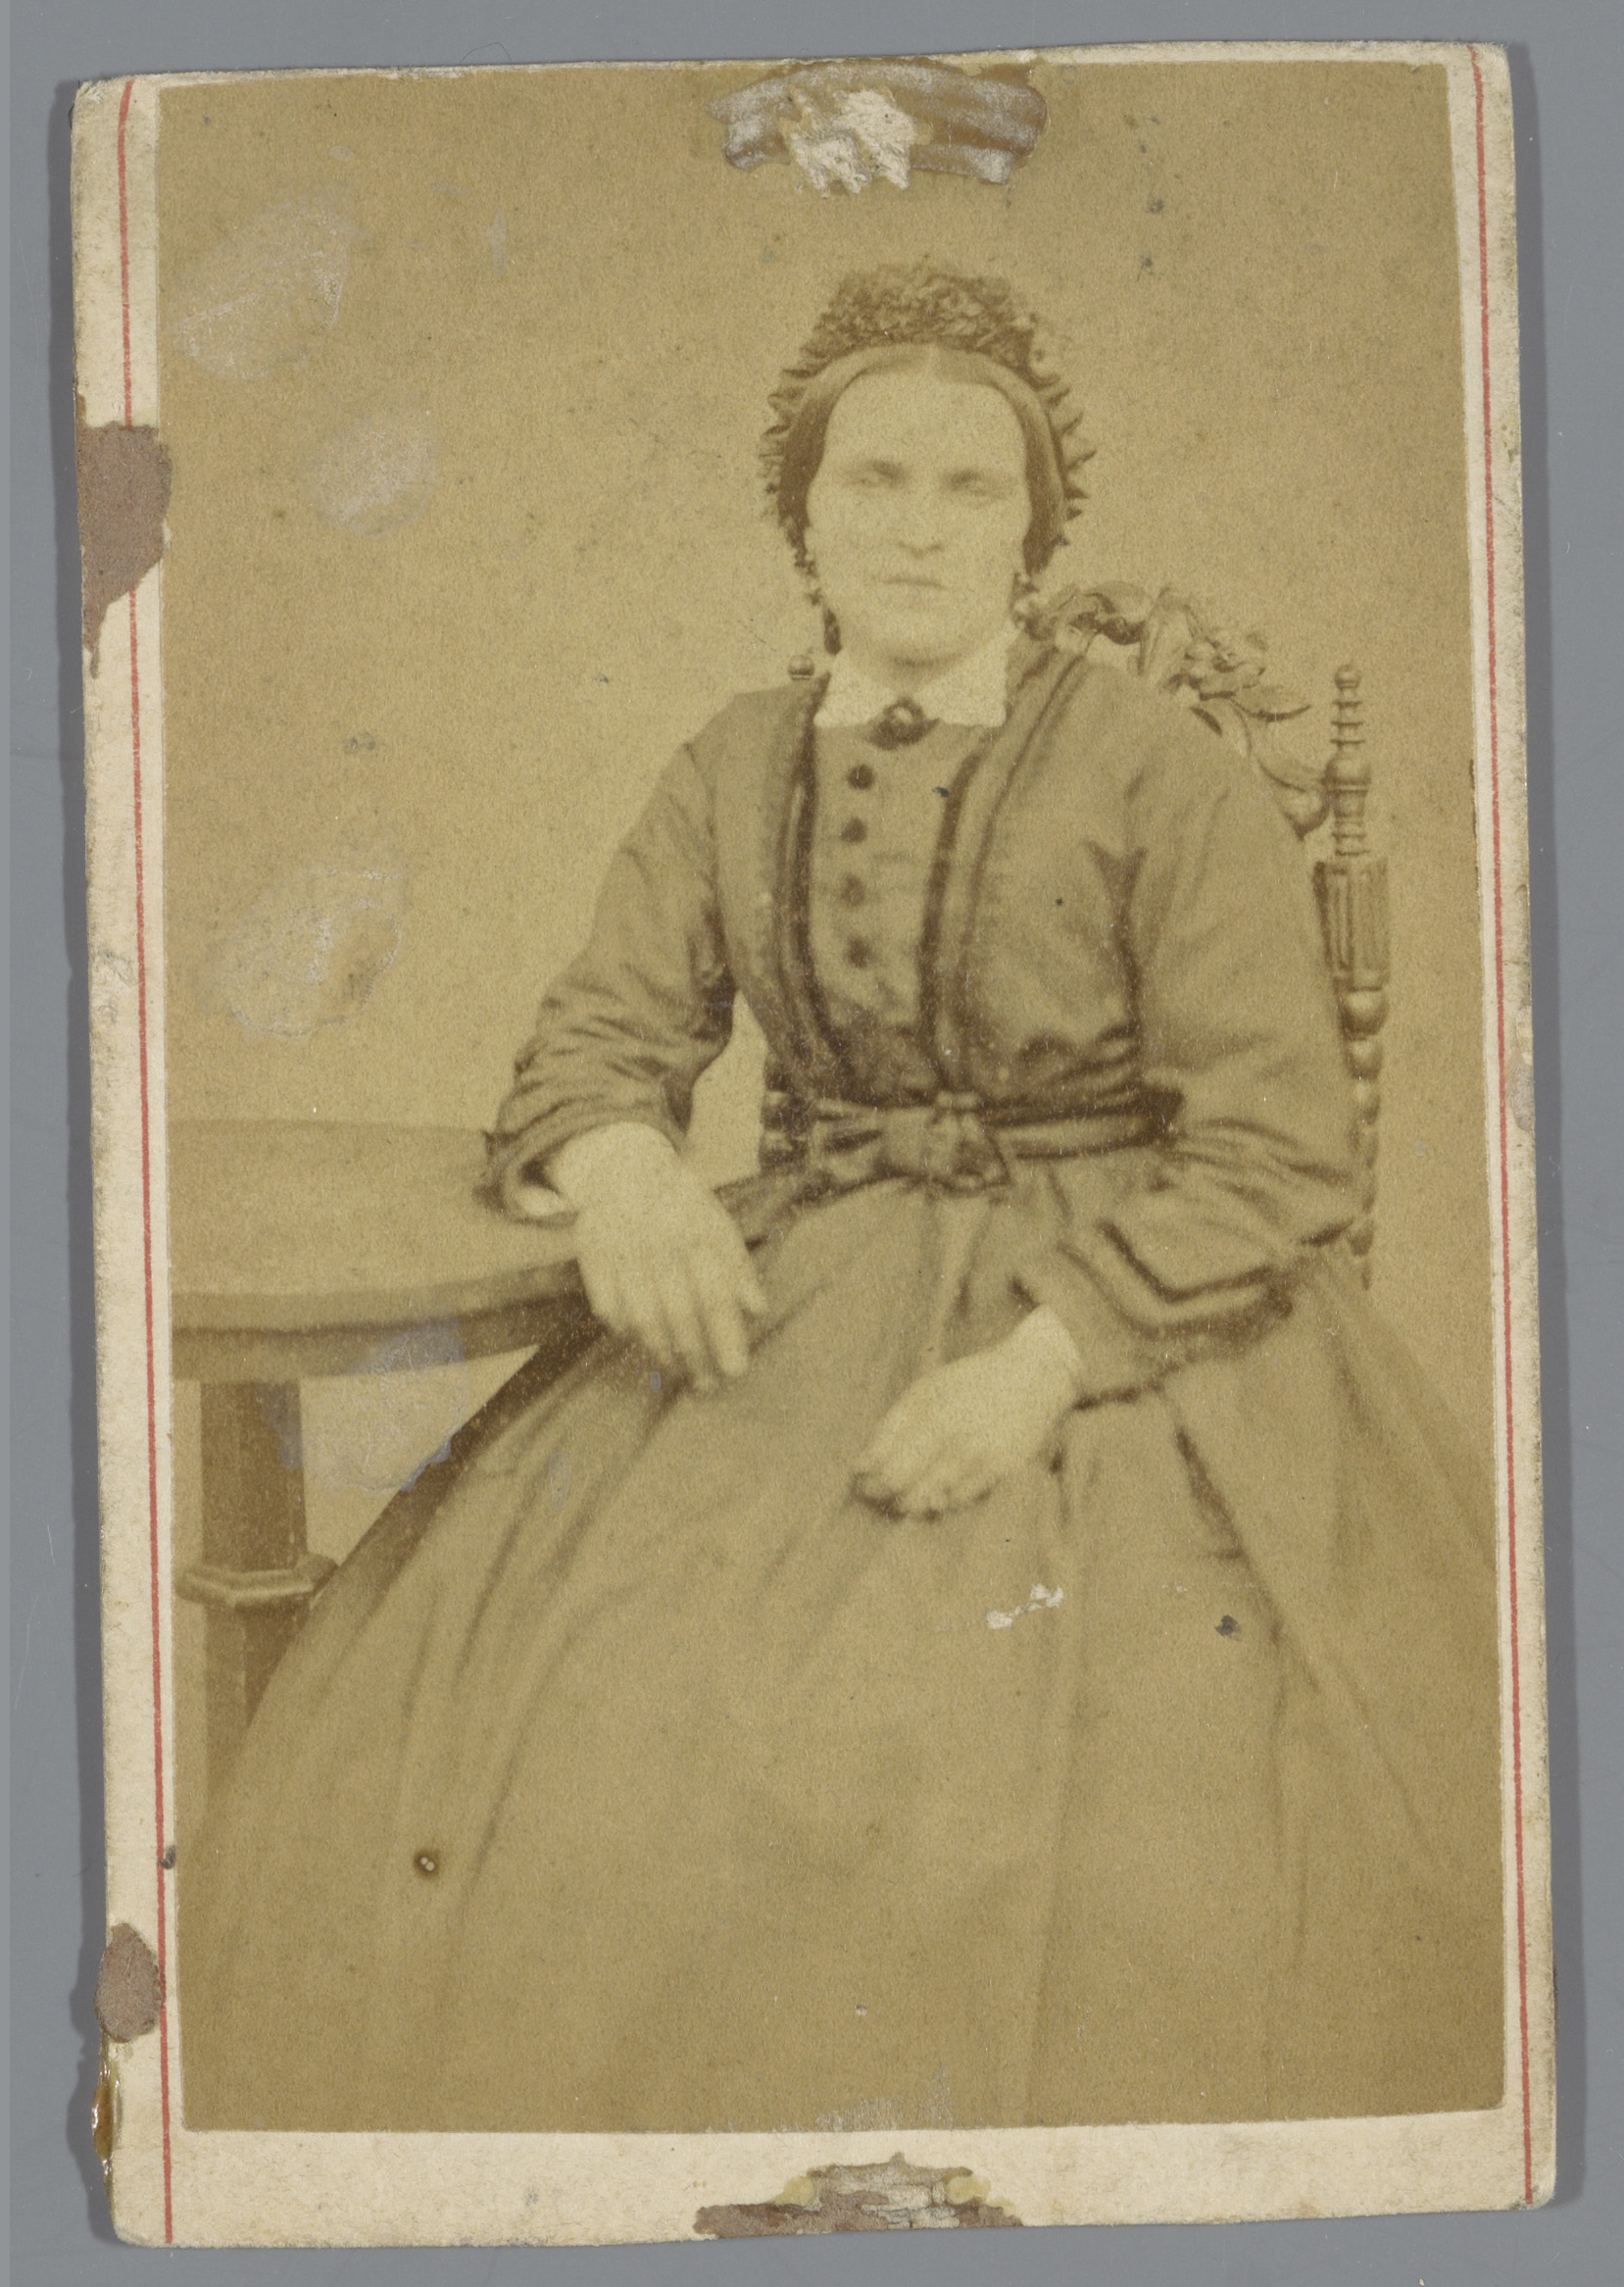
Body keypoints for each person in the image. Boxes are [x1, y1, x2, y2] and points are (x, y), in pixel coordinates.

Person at [184, 262, 1503, 2135]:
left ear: (1033, 526)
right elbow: (596, 1033)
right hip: (797, 1291)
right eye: (872, 480)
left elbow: (1281, 1144)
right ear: (801, 518)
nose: (917, 527)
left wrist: (1040, 1364)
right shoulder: (734, 763)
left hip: (1125, 1334)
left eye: (970, 487)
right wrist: (629, 1169)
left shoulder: (1156, 773)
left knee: (1000, 1767)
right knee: (577, 1713)